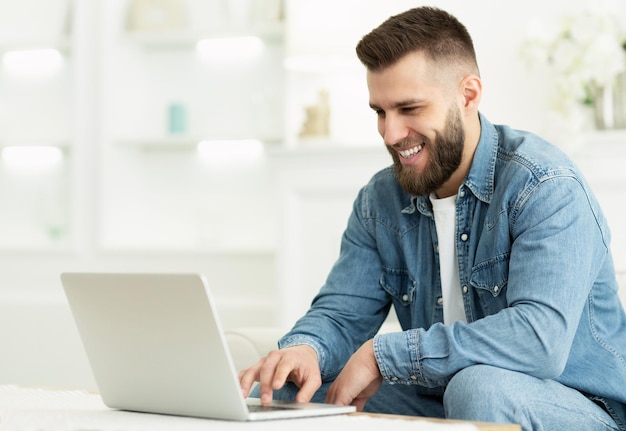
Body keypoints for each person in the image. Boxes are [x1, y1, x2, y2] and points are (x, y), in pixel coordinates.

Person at [239, 6, 626, 430]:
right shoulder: (380, 200)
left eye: (409, 108)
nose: (390, 134)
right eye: (380, 112)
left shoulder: (545, 185)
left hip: (577, 406)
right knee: (287, 395)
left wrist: (382, 355)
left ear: (469, 95)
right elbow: (342, 313)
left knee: (477, 388)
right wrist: (305, 349)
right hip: (438, 395)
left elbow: (538, 341)